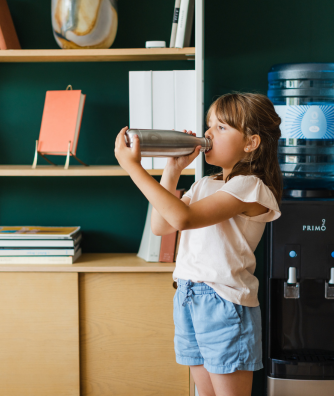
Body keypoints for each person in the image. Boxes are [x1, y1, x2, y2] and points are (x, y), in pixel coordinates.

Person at [114, 92, 282, 396]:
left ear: (251, 143)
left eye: (221, 127)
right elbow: (161, 225)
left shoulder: (250, 187)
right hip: (189, 297)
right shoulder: (204, 184)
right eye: (208, 125)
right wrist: (173, 169)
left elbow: (183, 218)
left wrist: (133, 168)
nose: (207, 134)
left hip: (224, 302)